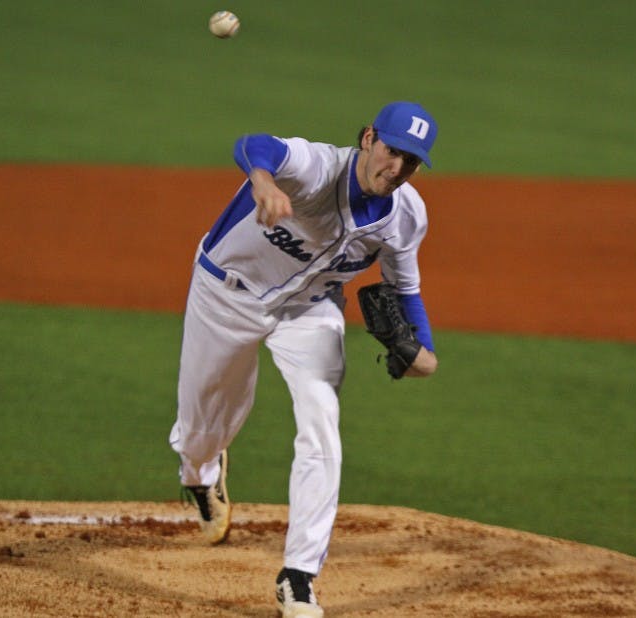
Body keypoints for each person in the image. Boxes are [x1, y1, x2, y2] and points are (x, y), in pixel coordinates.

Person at [169, 101, 439, 617]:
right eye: (392, 151)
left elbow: (405, 288)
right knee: (201, 429)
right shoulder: (317, 169)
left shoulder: (407, 215)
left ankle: (299, 577)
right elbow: (255, 143)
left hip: (310, 310)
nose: (398, 169)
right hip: (227, 294)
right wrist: (264, 182)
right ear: (367, 139)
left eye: (413, 161)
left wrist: (425, 351)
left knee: (322, 426)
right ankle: (201, 473)